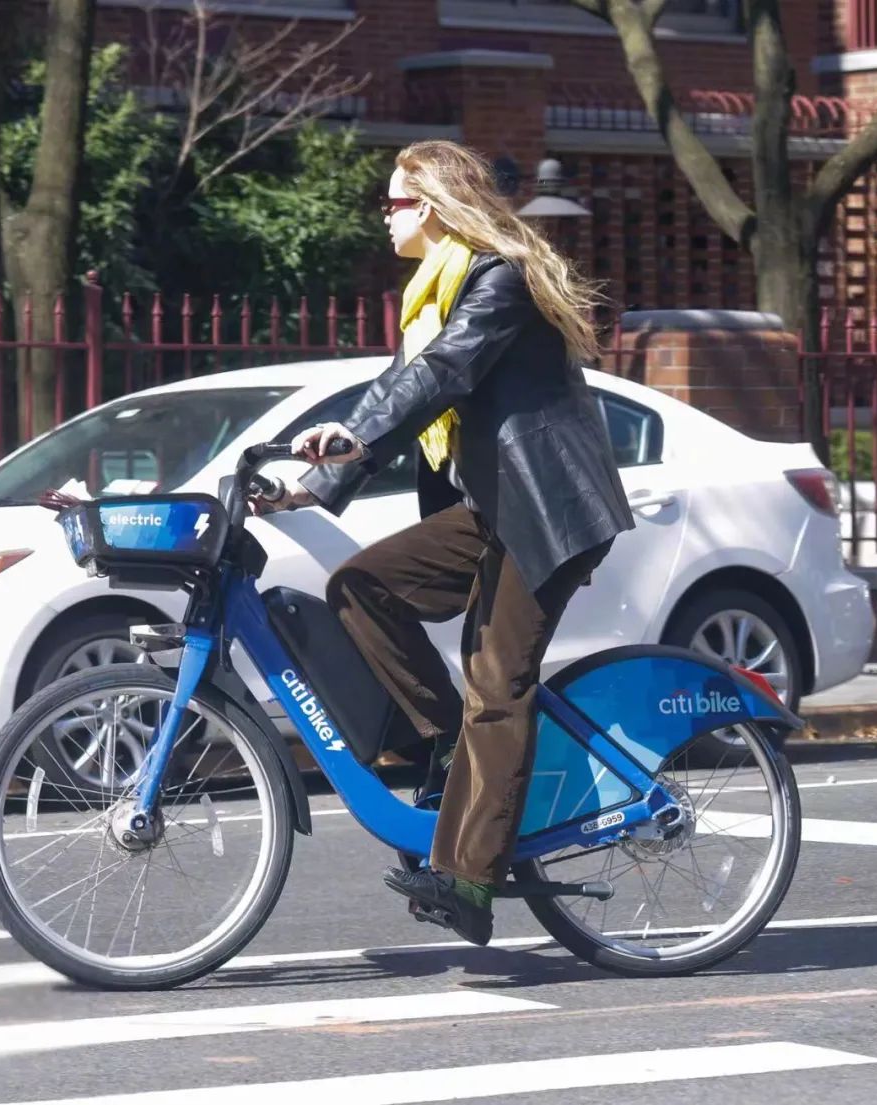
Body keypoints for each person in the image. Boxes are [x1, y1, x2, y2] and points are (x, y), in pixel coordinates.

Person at [250, 140, 635, 946]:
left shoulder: (499, 279)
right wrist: (306, 486)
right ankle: (446, 755)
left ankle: (468, 877)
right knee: (362, 586)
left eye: (391, 203)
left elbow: (442, 374)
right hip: (493, 507)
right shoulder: (436, 291)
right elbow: (411, 389)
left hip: (547, 509)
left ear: (426, 205)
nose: (383, 218)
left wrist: (354, 433)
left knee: (496, 678)